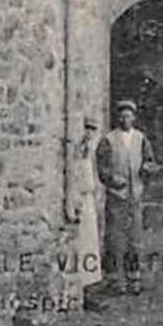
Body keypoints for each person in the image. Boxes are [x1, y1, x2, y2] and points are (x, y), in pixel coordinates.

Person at [95, 99, 157, 294]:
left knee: (134, 239)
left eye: (128, 115)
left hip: (135, 195)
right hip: (116, 197)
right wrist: (113, 180)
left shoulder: (140, 139)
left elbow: (149, 161)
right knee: (115, 238)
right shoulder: (108, 140)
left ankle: (134, 279)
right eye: (122, 115)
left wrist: (147, 168)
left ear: (134, 117)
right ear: (118, 117)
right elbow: (102, 167)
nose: (125, 118)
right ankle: (115, 280)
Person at [71, 116, 105, 308]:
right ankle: (83, 289)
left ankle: (90, 287)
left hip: (90, 200)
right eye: (87, 129)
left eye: (92, 130)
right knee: (84, 244)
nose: (89, 134)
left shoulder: (88, 152)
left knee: (91, 244)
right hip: (81, 200)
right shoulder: (76, 153)